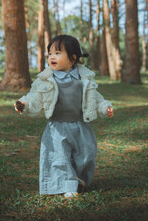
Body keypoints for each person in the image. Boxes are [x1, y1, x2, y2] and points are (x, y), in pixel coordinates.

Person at [14, 35, 113, 198]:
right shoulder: (45, 80)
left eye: (58, 53)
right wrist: (24, 104)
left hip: (80, 126)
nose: (52, 57)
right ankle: (67, 185)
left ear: (73, 58)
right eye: (50, 53)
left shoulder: (84, 79)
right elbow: (34, 97)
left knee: (86, 156)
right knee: (59, 158)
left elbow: (95, 98)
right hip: (57, 128)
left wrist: (104, 107)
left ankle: (78, 181)